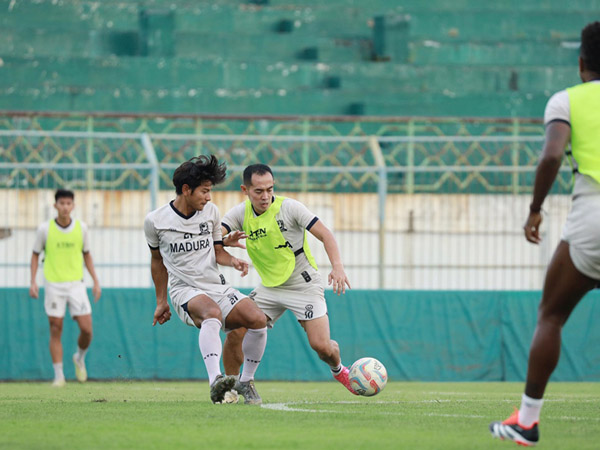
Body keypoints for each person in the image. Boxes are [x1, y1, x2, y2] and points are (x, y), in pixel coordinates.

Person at [490, 21, 600, 447]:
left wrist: (535, 210)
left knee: (551, 316)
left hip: (591, 215)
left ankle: (528, 421)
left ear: (580, 62)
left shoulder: (566, 100)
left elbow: (552, 154)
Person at [219, 163, 355, 403]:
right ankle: (233, 387)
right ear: (245, 190)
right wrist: (224, 240)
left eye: (269, 189)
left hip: (303, 284)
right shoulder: (240, 213)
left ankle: (339, 370)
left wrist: (338, 267)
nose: (265, 196)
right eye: (258, 191)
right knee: (236, 330)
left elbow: (325, 234)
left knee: (322, 347)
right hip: (269, 288)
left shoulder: (290, 208)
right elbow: (215, 235)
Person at [144, 155, 268, 404]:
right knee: (211, 313)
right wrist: (161, 301)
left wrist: (232, 260)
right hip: (185, 290)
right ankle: (215, 381)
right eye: (204, 191)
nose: (209, 197)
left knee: (256, 320)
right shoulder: (155, 221)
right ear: (186, 190)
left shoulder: (211, 212)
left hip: (217, 285)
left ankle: (245, 382)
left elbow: (218, 251)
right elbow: (157, 262)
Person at [29, 189, 102, 387]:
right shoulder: (44, 229)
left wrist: (95, 281)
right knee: (55, 327)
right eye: (61, 203)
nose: (65, 207)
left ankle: (79, 357)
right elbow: (35, 254)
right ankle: (59, 375)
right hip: (53, 284)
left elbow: (87, 254)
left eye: (69, 203)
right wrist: (33, 281)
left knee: (87, 329)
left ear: (73, 206)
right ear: (55, 205)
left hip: (76, 284)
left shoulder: (82, 228)